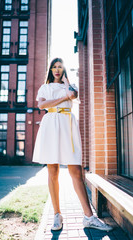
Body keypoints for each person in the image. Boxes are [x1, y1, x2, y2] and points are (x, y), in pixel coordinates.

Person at [32, 58, 112, 232]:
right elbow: (42, 104)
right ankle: (57, 215)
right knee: (52, 171)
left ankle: (89, 217)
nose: (57, 69)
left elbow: (73, 95)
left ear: (64, 69)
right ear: (50, 69)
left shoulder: (70, 85)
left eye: (60, 67)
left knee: (76, 171)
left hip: (67, 126)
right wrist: (63, 97)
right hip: (51, 126)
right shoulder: (44, 87)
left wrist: (67, 85)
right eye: (54, 67)